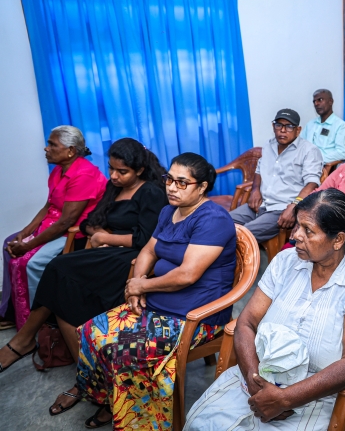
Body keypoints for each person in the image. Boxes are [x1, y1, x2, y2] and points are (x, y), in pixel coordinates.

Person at [50, 153, 237, 429]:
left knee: (125, 352)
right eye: (169, 179)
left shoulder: (213, 219)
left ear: (202, 187)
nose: (172, 187)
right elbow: (148, 250)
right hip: (161, 300)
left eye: (182, 183)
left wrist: (143, 285)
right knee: (91, 331)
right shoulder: (169, 212)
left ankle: (137, 420)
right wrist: (137, 285)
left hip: (196, 314)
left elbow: (187, 274)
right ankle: (112, 400)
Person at [184, 188, 345, 431]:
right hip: (256, 376)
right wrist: (255, 382)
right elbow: (246, 323)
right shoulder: (285, 261)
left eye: (308, 230)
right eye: (298, 225)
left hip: (316, 395)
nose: (296, 236)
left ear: (338, 240)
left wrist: (285, 399)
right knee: (200, 424)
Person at [0, 138, 167, 376]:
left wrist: (106, 238)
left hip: (131, 258)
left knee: (58, 268)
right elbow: (88, 222)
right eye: (111, 168)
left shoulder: (150, 192)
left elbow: (145, 239)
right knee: (61, 281)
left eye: (122, 172)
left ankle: (23, 342)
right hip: (109, 251)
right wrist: (101, 234)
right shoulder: (114, 187)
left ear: (139, 170)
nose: (114, 176)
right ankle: (84, 371)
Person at [1, 126, 106, 330]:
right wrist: (24, 233)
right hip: (53, 224)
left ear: (71, 151)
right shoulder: (59, 169)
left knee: (32, 262)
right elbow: (48, 206)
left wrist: (28, 245)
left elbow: (66, 222)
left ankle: (37, 322)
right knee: (10, 243)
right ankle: (11, 311)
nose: (46, 148)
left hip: (72, 233)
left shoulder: (84, 174)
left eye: (52, 144)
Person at [230, 109, 323, 241]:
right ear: (273, 126)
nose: (283, 130)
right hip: (260, 204)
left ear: (298, 130)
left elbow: (312, 183)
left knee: (242, 235)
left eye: (289, 126)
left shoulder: (309, 151)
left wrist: (294, 206)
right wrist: (255, 190)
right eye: (279, 125)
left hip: (282, 209)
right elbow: (259, 170)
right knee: (221, 222)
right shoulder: (269, 145)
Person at [300, 89, 345, 163]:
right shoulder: (311, 124)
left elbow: (342, 153)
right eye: (314, 101)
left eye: (320, 100)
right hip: (305, 164)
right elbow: (300, 144)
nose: (316, 104)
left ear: (330, 101)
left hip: (323, 165)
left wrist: (315, 160)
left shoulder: (341, 126)